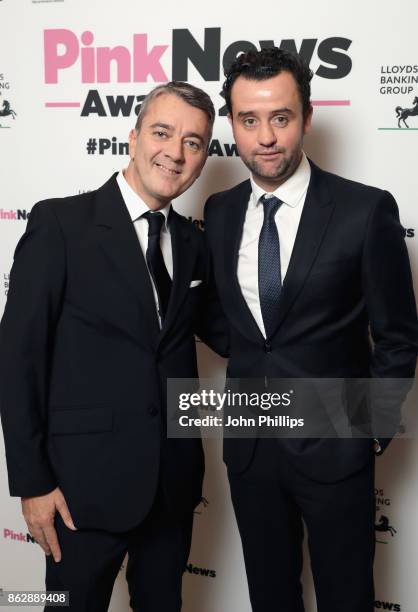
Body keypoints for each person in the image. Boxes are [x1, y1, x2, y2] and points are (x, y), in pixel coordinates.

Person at [203, 48, 418, 612]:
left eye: (281, 117)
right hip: (250, 448)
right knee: (270, 597)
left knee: (346, 598)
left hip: (335, 445)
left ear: (306, 117)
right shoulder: (221, 212)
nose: (266, 136)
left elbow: (397, 334)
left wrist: (370, 427)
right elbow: (238, 327)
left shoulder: (364, 210)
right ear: (233, 124)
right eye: (249, 120)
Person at [0, 81, 227, 612]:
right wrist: (32, 485)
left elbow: (236, 337)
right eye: (163, 132)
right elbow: (18, 361)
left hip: (170, 489)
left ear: (201, 159)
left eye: (194, 142)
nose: (175, 151)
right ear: (132, 137)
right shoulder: (60, 223)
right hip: (76, 493)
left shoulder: (194, 243)